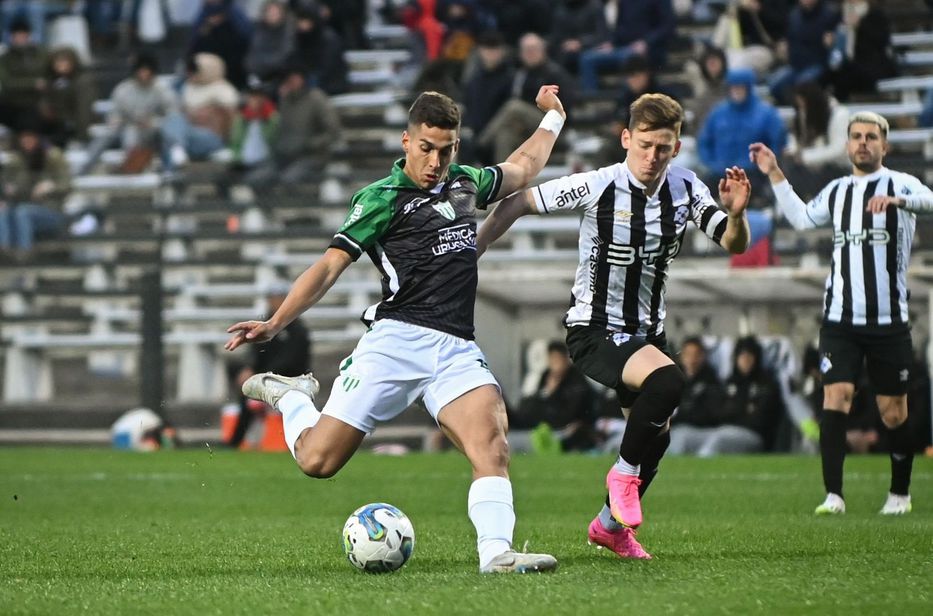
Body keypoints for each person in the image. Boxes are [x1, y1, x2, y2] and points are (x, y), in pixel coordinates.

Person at [224, 85, 568, 574]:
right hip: (395, 342)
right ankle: (294, 397)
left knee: (492, 444)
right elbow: (327, 267)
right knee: (317, 462)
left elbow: (523, 167)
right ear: (407, 142)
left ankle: (496, 554)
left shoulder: (466, 182)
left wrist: (552, 118)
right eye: (426, 148)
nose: (435, 160)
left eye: (446, 150)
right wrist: (277, 322)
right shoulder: (380, 199)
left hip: (454, 347)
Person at [476, 93, 751, 559]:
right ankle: (621, 476)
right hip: (593, 329)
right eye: (644, 144)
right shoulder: (598, 185)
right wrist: (473, 252)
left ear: (677, 148)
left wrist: (739, 214)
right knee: (668, 382)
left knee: (655, 439)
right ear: (626, 138)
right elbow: (519, 202)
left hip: (646, 335)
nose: (652, 156)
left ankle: (608, 526)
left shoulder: (686, 189)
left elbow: (732, 242)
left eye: (663, 148)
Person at [749, 110, 933, 515]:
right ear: (848, 145)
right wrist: (775, 173)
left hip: (889, 321)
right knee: (836, 397)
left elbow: (931, 202)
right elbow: (799, 219)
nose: (863, 142)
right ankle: (834, 495)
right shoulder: (837, 191)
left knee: (893, 410)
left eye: (871, 136)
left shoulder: (902, 184)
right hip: (840, 318)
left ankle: (899, 493)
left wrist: (901, 202)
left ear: (884, 145)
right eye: (856, 136)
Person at [226, 290, 311, 448]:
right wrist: (249, 369)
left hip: (291, 379)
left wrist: (262, 374)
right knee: (239, 378)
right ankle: (236, 442)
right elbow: (257, 354)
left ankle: (302, 443)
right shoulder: (266, 324)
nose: (273, 302)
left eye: (277, 298)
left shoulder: (297, 329)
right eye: (271, 298)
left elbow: (292, 361)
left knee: (295, 410)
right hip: (267, 377)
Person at [514, 341, 601, 453]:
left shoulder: (576, 380)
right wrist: (549, 392)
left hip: (571, 426)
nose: (555, 364)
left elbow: (574, 410)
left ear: (565, 359)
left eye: (558, 359)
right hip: (549, 425)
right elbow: (541, 401)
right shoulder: (546, 375)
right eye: (552, 359)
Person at [0, 126, 71, 257]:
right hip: (22, 208)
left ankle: (24, 252)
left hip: (51, 210)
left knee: (23, 212)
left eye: (30, 139)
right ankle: (4, 251)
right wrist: (9, 191)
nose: (27, 144)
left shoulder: (53, 156)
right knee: (4, 211)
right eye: (24, 140)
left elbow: (67, 185)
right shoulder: (17, 160)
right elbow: (11, 186)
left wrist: (51, 186)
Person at [668, 336, 727, 455]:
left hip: (701, 430)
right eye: (688, 354)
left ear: (703, 356)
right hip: (675, 428)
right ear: (681, 356)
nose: (692, 359)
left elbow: (712, 414)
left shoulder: (711, 381)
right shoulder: (672, 379)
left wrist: (681, 414)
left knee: (680, 437)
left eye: (696, 355)